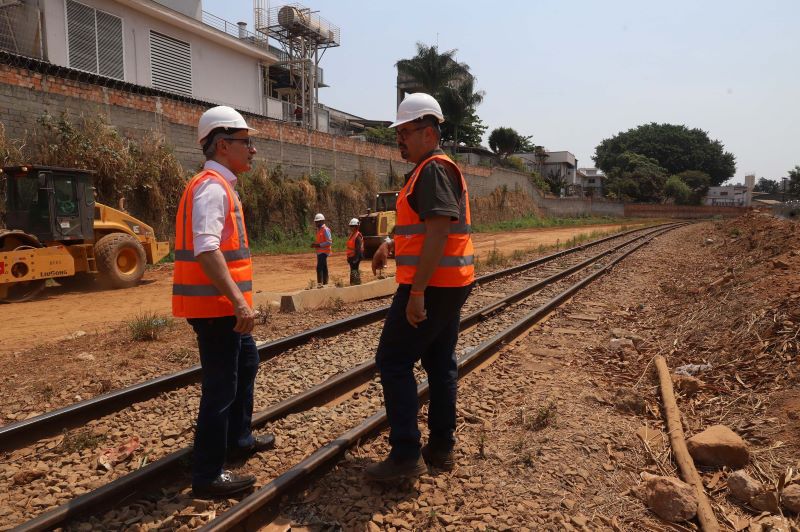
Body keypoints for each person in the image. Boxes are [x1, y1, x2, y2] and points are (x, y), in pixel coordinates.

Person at [365, 93, 474, 481]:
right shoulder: (430, 170)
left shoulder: (432, 170)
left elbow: (440, 230)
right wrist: (391, 245)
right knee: (440, 363)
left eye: (405, 132)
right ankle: (441, 448)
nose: (400, 140)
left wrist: (416, 293)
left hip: (432, 286)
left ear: (428, 133)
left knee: (393, 361)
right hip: (449, 282)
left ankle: (405, 457)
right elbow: (424, 228)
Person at [172, 105, 275, 498]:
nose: (252, 151)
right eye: (246, 143)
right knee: (221, 387)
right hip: (216, 310)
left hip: (223, 309)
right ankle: (207, 474)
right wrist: (239, 302)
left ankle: (239, 438)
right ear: (221, 145)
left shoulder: (220, 185)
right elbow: (207, 249)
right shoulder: (212, 187)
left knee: (247, 363)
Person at [311, 212, 332, 287]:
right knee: (324, 267)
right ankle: (325, 283)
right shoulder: (319, 230)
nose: (316, 223)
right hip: (320, 252)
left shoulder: (325, 230)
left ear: (322, 221)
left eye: (318, 221)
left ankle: (320, 284)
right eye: (316, 222)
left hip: (324, 252)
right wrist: (315, 245)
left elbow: (329, 242)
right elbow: (321, 241)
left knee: (319, 267)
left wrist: (318, 245)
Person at [346, 217, 364, 285]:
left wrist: (356, 259)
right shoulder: (352, 234)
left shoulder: (357, 236)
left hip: (356, 256)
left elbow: (358, 249)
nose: (351, 227)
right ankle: (353, 283)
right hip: (351, 256)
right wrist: (349, 257)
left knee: (354, 270)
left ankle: (356, 283)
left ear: (357, 226)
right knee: (352, 270)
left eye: (353, 226)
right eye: (351, 226)